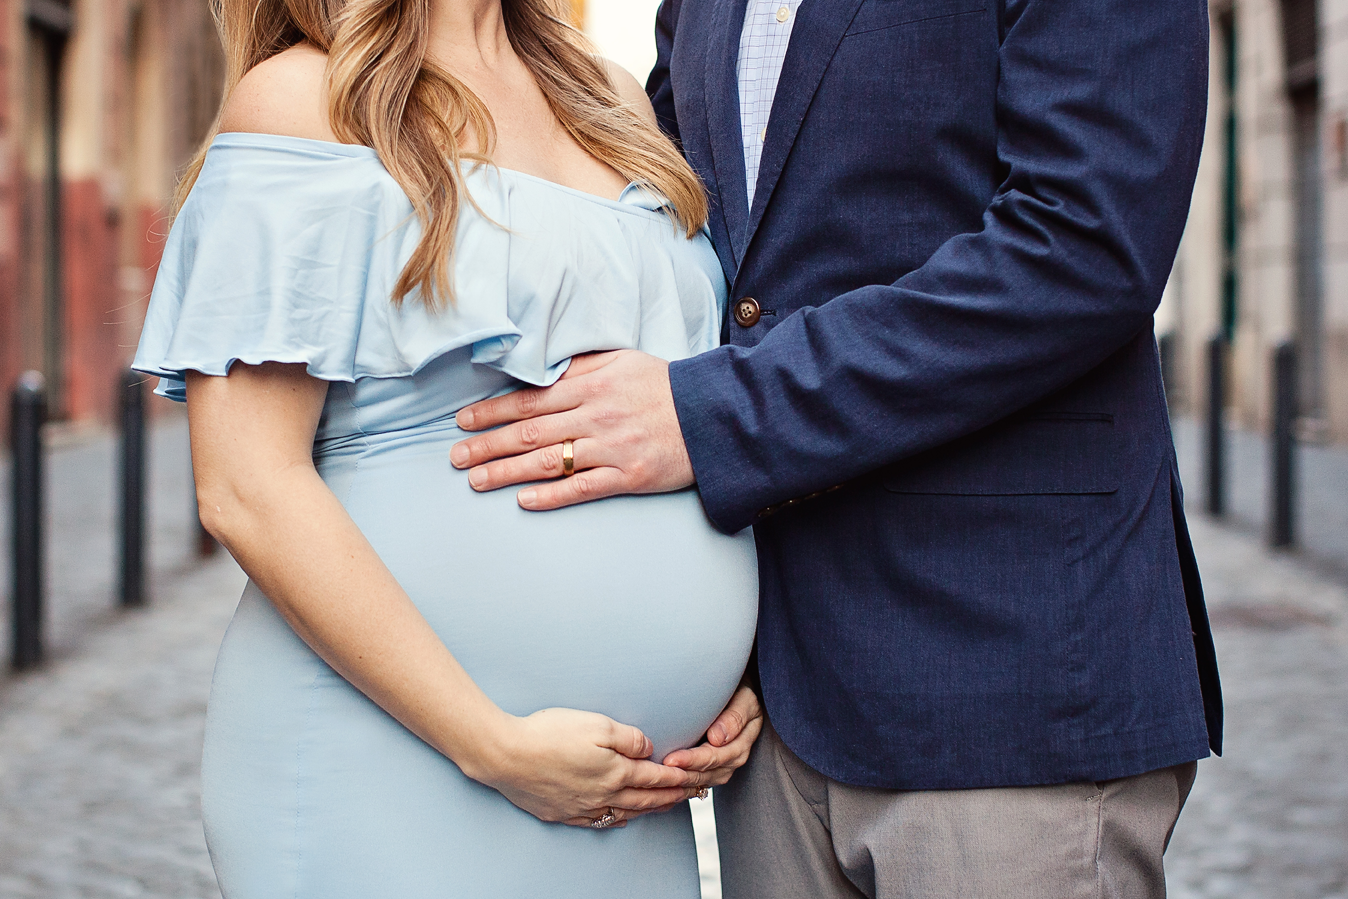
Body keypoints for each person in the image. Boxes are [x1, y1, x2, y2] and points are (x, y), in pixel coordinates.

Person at [449, 0, 1226, 895]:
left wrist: (713, 414)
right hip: (765, 705)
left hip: (1002, 677)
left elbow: (1083, 247)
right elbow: (677, 227)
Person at [131, 1, 764, 896]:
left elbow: (690, 409)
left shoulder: (612, 98)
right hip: (396, 764)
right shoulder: (305, 102)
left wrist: (726, 675)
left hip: (629, 796)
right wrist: (491, 744)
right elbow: (245, 484)